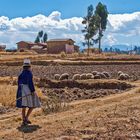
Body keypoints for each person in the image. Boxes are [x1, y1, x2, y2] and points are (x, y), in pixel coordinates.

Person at [16, 59, 41, 125]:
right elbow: (30, 82)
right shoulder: (29, 73)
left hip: (21, 90)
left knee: (24, 106)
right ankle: (26, 118)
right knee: (32, 104)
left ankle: (24, 120)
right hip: (27, 90)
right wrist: (32, 91)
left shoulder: (21, 73)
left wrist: (19, 92)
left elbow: (18, 83)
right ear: (29, 66)